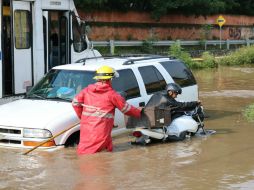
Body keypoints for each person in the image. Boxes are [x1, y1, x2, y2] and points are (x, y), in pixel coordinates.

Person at [72, 65, 141, 155]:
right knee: (99, 154)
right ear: (110, 79)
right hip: (101, 131)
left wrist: (84, 118)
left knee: (86, 151)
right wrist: (141, 112)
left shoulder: (86, 90)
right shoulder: (112, 95)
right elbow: (127, 109)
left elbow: (75, 103)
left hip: (87, 129)